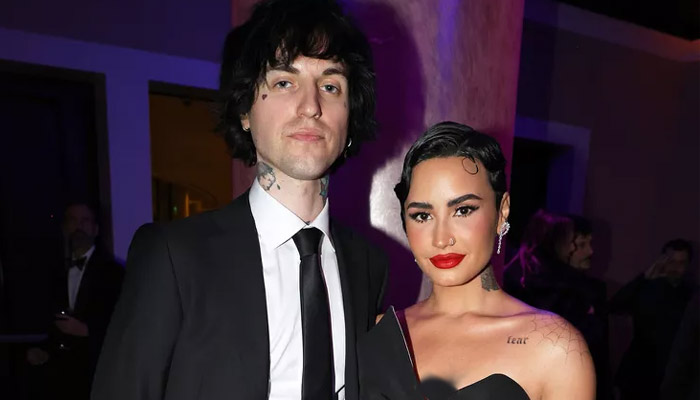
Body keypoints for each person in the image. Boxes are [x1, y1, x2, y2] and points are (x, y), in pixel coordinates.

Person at [91, 1, 389, 399]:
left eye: (331, 86)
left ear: (350, 117)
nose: (311, 106)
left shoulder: (368, 265)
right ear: (245, 110)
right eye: (284, 82)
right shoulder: (174, 256)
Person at [358, 122, 595, 400]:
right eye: (423, 215)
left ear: (502, 211)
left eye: (463, 210)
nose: (441, 238)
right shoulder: (374, 333)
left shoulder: (554, 347)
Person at [26, 202, 123, 400]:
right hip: (61, 379)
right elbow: (54, 325)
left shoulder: (114, 274)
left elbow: (124, 324)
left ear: (95, 229)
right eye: (72, 220)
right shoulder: (55, 272)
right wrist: (44, 351)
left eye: (84, 221)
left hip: (97, 375)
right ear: (64, 228)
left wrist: (87, 331)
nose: (78, 226)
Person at [610, 238, 696, 400]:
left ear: (688, 265)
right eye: (671, 261)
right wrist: (645, 277)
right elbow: (615, 306)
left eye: (681, 263)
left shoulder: (691, 297)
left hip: (673, 379)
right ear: (662, 261)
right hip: (638, 376)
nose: (675, 268)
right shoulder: (647, 288)